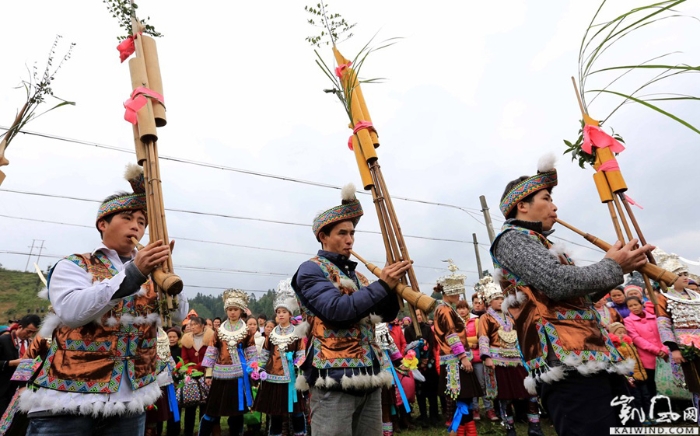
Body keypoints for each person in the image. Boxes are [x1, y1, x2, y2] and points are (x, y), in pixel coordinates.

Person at [490, 155, 653, 436]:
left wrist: (621, 267)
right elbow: (558, 283)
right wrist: (612, 266)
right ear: (522, 205)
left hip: (591, 352)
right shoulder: (513, 238)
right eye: (546, 197)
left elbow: (577, 295)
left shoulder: (542, 242)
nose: (554, 206)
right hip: (565, 363)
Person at [20, 166, 188, 436]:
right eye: (127, 217)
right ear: (103, 224)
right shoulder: (74, 265)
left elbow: (179, 317)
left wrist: (167, 278)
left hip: (129, 403)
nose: (137, 225)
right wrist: (134, 273)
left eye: (142, 221)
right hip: (68, 402)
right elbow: (73, 312)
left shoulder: (152, 273)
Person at [291, 184, 409, 436]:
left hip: (369, 376)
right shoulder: (310, 270)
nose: (350, 239)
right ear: (323, 236)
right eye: (342, 233)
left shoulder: (359, 277)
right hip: (332, 379)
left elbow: (384, 315)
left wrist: (394, 286)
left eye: (352, 233)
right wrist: (382, 285)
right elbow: (336, 311)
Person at [477, 276, 543, 436]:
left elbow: (521, 334)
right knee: (505, 396)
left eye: (501, 298)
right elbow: (483, 337)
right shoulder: (485, 318)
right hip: (498, 360)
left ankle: (534, 426)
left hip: (518, 359)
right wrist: (486, 357)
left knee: (530, 393)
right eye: (496, 299)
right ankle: (509, 427)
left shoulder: (511, 316)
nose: (500, 301)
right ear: (489, 302)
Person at [432, 261, 482, 436]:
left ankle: (465, 432)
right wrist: (463, 357)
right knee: (461, 399)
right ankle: (459, 432)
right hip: (455, 361)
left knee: (464, 400)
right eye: (458, 291)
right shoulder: (444, 310)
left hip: (455, 359)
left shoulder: (446, 309)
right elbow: (451, 335)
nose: (460, 294)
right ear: (450, 292)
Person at [253, 279, 306, 436]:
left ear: (290, 314)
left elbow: (301, 354)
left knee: (296, 412)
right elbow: (265, 353)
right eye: (278, 312)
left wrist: (296, 365)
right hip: (272, 378)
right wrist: (259, 368)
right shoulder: (272, 333)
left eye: (284, 312)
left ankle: (300, 433)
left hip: (291, 379)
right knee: (275, 412)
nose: (281, 314)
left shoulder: (297, 332)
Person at [199, 290, 256, 436]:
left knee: (237, 414)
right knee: (211, 412)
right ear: (226, 310)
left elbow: (251, 354)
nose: (232, 312)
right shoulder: (219, 331)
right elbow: (212, 352)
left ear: (241, 310)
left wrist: (254, 372)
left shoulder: (247, 331)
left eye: (235, 309)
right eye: (230, 309)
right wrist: (208, 375)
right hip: (220, 377)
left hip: (239, 378)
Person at [655, 253, 700, 421]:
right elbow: (663, 324)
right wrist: (674, 349)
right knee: (696, 385)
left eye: (685, 274)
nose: (684, 278)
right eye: (679, 275)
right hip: (685, 347)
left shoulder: (696, 296)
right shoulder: (664, 298)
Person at [624, 296, 667, 401]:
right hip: (647, 357)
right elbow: (636, 338)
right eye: (630, 306)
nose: (634, 307)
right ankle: (656, 408)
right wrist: (656, 350)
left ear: (641, 304)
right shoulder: (628, 321)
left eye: (636, 304)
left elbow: (664, 332)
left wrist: (664, 348)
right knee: (652, 383)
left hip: (665, 353)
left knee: (668, 381)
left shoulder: (654, 316)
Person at [607, 322, 650, 425]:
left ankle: (648, 414)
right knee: (637, 398)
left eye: (623, 332)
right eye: (619, 332)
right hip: (631, 377)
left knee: (646, 396)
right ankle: (640, 417)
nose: (622, 334)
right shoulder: (617, 347)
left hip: (641, 374)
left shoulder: (630, 344)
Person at [463, 295, 497, 423]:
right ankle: (475, 409)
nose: (477, 305)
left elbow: (482, 337)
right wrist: (470, 343)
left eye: (480, 303)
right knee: (471, 385)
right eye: (475, 303)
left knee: (483, 383)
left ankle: (489, 408)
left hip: (479, 357)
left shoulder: (478, 320)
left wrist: (469, 342)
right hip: (465, 358)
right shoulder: (460, 321)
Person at [404, 309, 440, 428]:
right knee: (420, 392)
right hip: (416, 364)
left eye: (420, 314)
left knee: (432, 390)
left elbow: (431, 344)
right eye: (416, 315)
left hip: (429, 362)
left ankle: (434, 415)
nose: (419, 317)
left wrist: (426, 359)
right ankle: (423, 415)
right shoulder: (408, 330)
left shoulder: (427, 328)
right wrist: (419, 361)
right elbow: (409, 346)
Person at [0, 314, 40, 414]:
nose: (30, 335)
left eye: (33, 333)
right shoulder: (3, 341)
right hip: (3, 391)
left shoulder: (32, 345)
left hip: (22, 391)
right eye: (28, 331)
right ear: (20, 327)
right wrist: (11, 363)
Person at [180, 317, 213, 436]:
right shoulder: (186, 340)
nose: (192, 326)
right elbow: (184, 359)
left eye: (195, 324)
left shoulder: (211, 338)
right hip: (191, 377)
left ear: (203, 325)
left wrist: (198, 368)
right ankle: (188, 432)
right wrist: (190, 370)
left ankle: (204, 432)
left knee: (205, 407)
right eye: (191, 324)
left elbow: (210, 357)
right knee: (190, 407)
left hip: (207, 375)